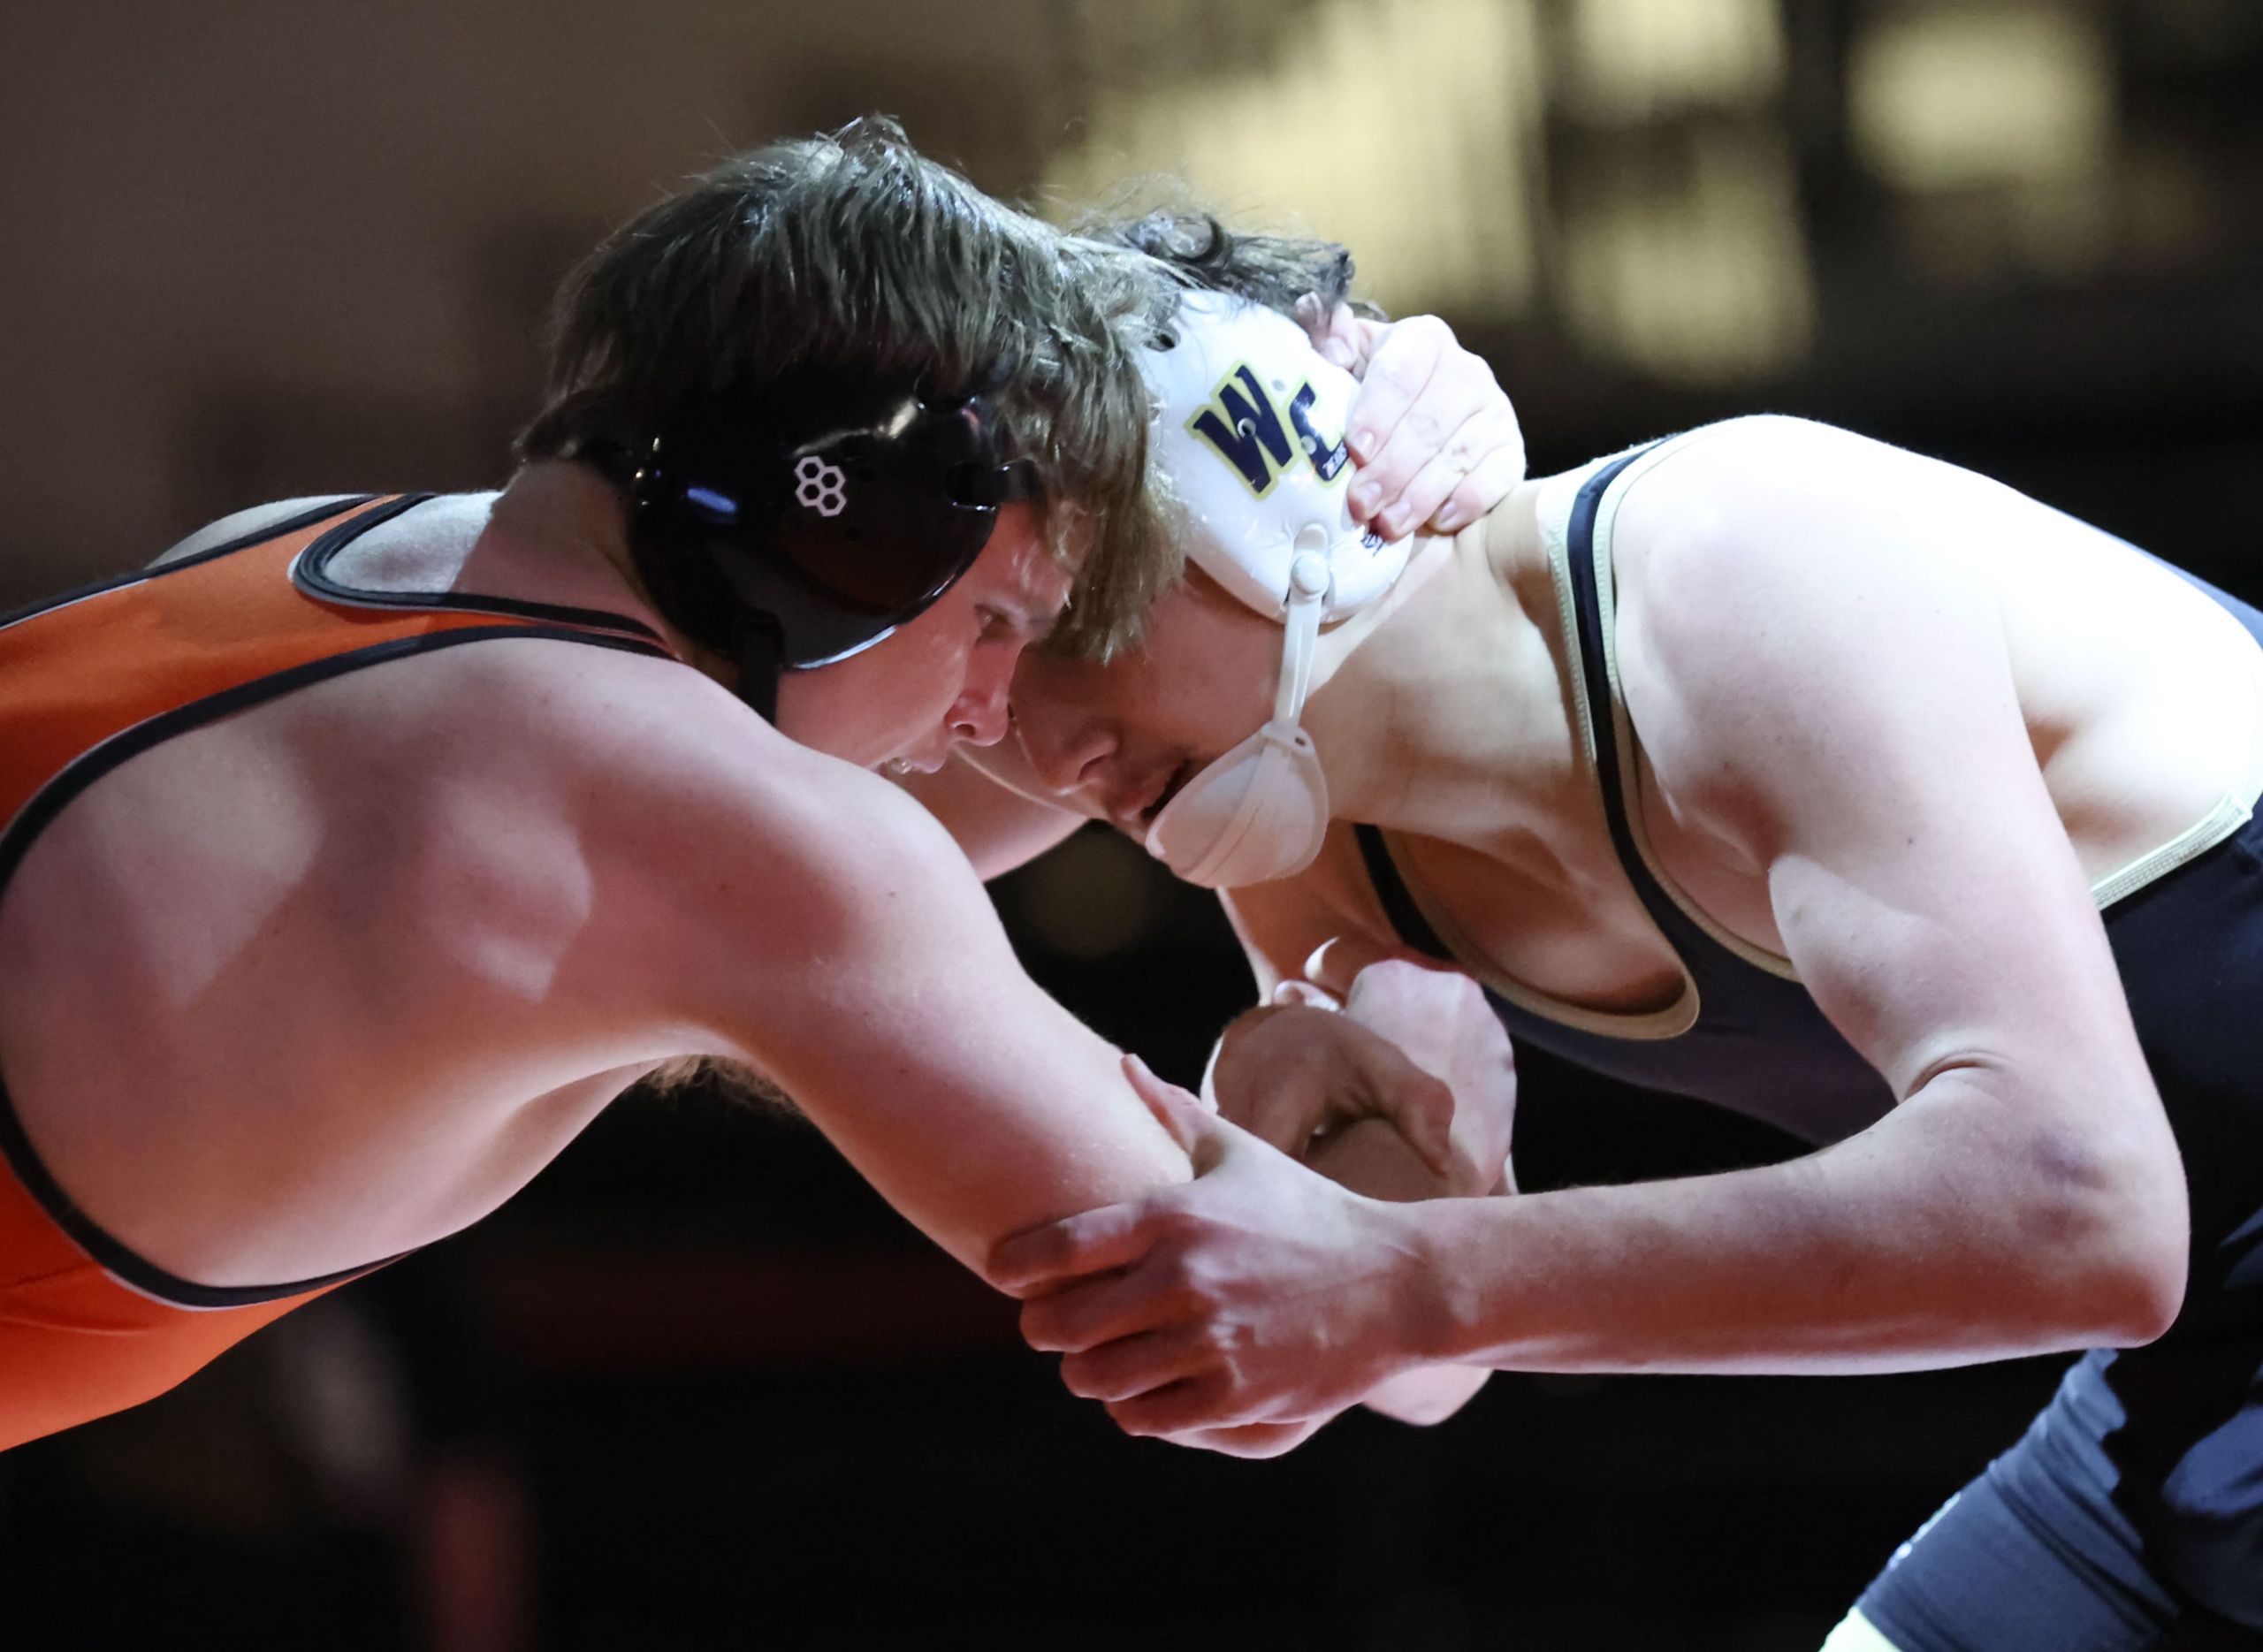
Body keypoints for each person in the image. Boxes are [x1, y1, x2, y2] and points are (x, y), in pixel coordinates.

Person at [0, 120, 1523, 1452]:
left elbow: (909, 818)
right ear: (850, 520)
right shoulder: (709, 822)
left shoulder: (315, 548)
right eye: (1000, 623)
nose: (991, 714)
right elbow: (1289, 1340)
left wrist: (1286, 440)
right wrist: (1439, 1075)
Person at [926, 218, 2263, 1648]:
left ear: (1251, 477)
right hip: (2185, 1393)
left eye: (1048, 622)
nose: (1034, 746)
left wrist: (1405, 1279)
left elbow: (2083, 1212)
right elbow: (1428, 1359)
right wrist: (1346, 1221)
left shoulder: (1742, 560)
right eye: (976, 661)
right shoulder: (1303, 832)